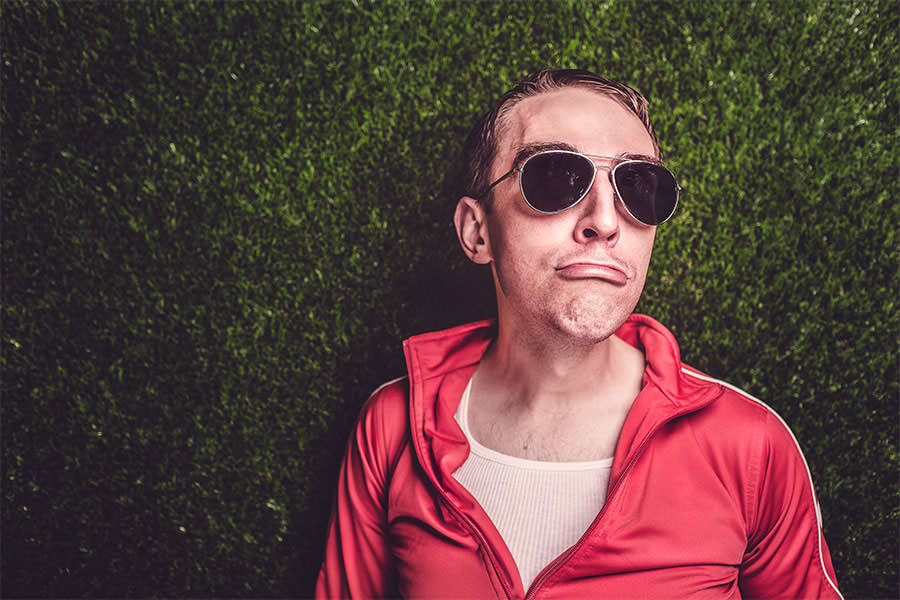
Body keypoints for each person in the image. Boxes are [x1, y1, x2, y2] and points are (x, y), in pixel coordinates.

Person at [315, 69, 842, 599]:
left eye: (638, 187)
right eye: (554, 178)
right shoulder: (392, 426)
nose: (605, 221)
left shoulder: (750, 445)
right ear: (477, 231)